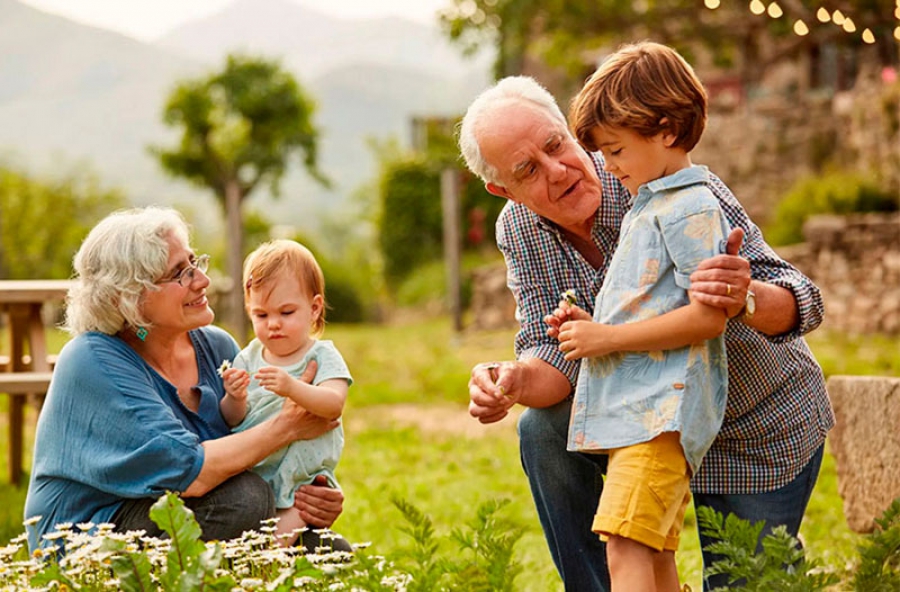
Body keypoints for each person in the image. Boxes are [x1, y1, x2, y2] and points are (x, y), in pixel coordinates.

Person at [458, 73, 834, 591]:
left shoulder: (661, 176)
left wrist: (742, 296)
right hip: (648, 427)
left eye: (555, 145)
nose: (559, 169)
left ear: (569, 131)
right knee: (542, 430)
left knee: (748, 581)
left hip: (751, 427)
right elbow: (556, 354)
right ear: (503, 189)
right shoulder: (518, 229)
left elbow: (801, 298)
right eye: (528, 169)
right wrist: (513, 380)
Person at [24, 207, 345, 552]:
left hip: (193, 511)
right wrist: (290, 425)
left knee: (328, 550)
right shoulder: (92, 360)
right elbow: (190, 472)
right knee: (244, 500)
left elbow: (252, 440)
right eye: (180, 273)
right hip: (92, 534)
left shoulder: (217, 346)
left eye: (195, 263)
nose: (202, 280)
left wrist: (313, 491)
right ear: (131, 297)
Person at [548, 42, 731, 591]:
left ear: (667, 130)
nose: (609, 166)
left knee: (625, 547)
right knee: (650, 553)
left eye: (617, 150)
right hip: (641, 414)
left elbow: (708, 319)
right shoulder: (650, 203)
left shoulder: (691, 207)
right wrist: (589, 322)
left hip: (662, 414)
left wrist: (607, 337)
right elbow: (655, 302)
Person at [220, 239, 351, 548]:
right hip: (258, 469)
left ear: (314, 308)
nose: (274, 324)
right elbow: (231, 419)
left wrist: (293, 387)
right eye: (261, 315)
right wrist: (234, 398)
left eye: (286, 312)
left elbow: (333, 405)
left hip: (301, 480)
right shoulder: (248, 356)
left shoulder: (321, 356)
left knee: (272, 546)